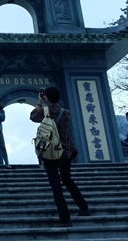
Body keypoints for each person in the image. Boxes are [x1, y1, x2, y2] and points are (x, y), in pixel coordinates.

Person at [30, 86, 90, 227]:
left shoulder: (45, 111)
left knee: (56, 185)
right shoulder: (66, 113)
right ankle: (84, 208)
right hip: (65, 152)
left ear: (47, 97)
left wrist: (40, 102)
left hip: (50, 153)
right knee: (67, 180)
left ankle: (65, 218)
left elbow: (33, 117)